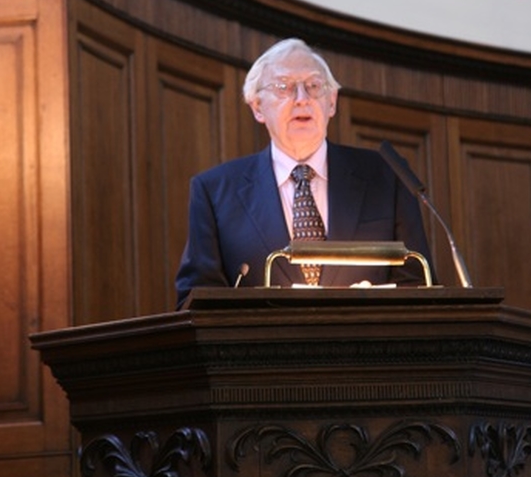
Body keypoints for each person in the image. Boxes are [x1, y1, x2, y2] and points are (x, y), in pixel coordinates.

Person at [175, 38, 434, 306]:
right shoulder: (215, 192)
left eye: (314, 86)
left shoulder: (387, 176)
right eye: (284, 87)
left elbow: (418, 284)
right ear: (257, 107)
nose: (302, 99)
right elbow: (197, 300)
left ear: (331, 102)